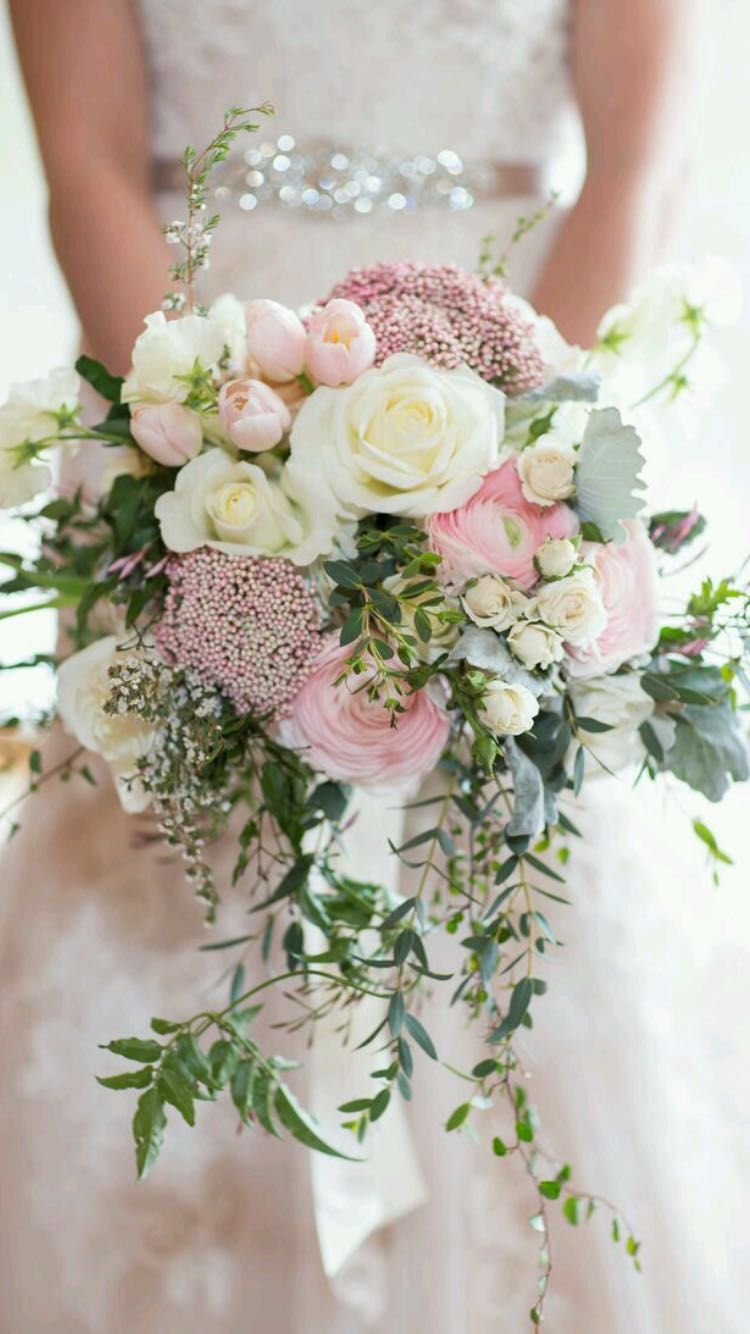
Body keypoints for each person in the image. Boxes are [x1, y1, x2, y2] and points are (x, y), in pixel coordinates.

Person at [3, 3, 729, 1332]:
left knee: (528, 926)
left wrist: (507, 478)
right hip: (194, 417)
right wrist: (214, 463)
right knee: (182, 902)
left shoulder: (521, 451)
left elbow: (638, 164)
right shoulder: (197, 448)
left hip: (523, 398)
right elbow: (87, 161)